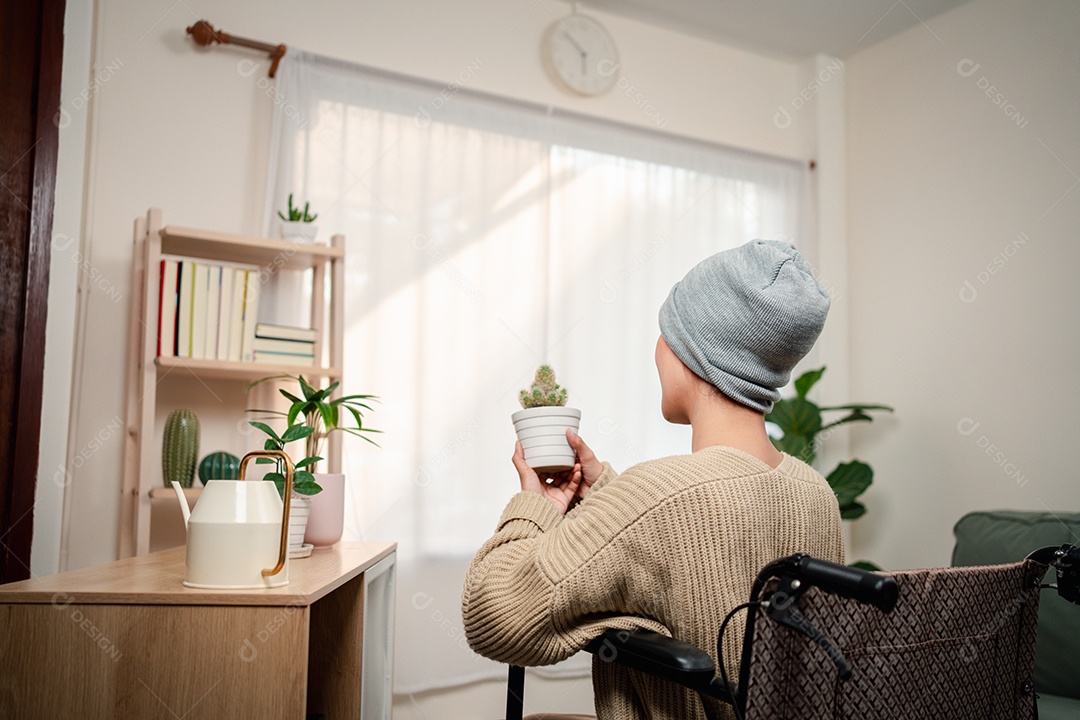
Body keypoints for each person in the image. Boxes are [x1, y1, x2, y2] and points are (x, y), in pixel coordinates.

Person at [462, 239, 844, 720]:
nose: (657, 348)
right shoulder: (817, 494)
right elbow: (696, 551)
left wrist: (534, 507)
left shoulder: (655, 498)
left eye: (668, 332)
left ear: (695, 356)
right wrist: (606, 492)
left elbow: (490, 615)